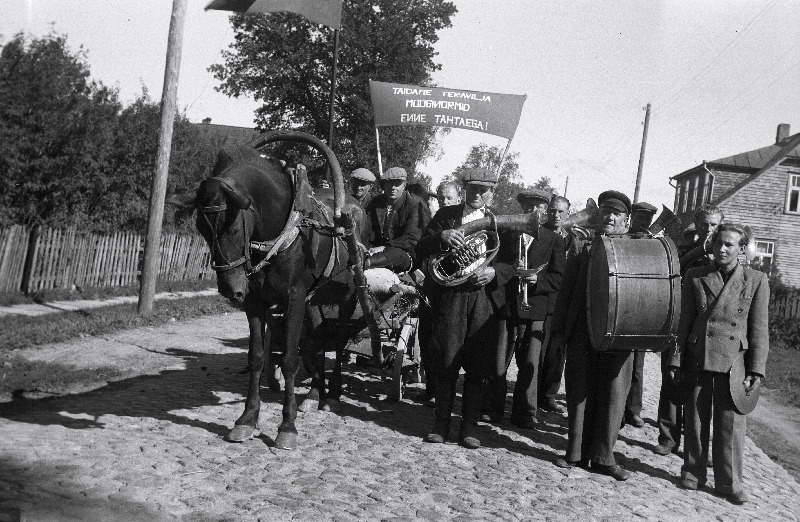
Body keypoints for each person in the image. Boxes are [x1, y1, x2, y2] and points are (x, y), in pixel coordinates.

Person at [668, 223, 769, 505]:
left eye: (729, 245)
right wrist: (676, 359)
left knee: (731, 425)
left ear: (741, 249)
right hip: (698, 356)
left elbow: (760, 330)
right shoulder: (696, 276)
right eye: (718, 244)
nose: (722, 249)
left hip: (734, 361)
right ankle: (692, 472)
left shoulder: (756, 280)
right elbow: (684, 321)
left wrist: (756, 369)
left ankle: (730, 482)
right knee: (696, 418)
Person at [415, 168, 514, 449]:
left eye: (485, 190)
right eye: (473, 189)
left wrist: (494, 272)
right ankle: (440, 424)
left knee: (477, 365)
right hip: (451, 295)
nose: (479, 194)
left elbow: (511, 264)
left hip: (483, 297)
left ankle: (469, 427)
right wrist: (440, 238)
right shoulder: (445, 217)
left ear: (492, 192)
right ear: (465, 189)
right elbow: (420, 249)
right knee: (447, 360)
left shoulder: (501, 223)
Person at [551, 190, 635, 481]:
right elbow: (566, 292)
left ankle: (604, 457)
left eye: (617, 214)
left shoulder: (636, 248)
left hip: (620, 333)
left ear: (626, 220)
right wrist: (559, 330)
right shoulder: (582, 246)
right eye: (606, 213)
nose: (610, 218)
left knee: (613, 392)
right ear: (599, 216)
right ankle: (574, 452)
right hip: (582, 328)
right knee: (578, 389)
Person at [483, 188, 565, 429]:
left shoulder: (554, 239)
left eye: (538, 207)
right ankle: (491, 408)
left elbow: (559, 279)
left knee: (530, 364)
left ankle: (525, 412)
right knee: (499, 360)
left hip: (535, 308)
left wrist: (537, 281)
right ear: (522, 209)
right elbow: (496, 263)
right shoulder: (508, 234)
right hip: (507, 305)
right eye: (528, 207)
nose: (533, 212)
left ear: (544, 210)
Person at [654, 204, 724, 456]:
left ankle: (698, 444)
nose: (709, 229)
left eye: (714, 224)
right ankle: (668, 437)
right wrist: (698, 251)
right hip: (679, 323)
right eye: (705, 224)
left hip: (707, 328)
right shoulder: (684, 249)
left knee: (704, 387)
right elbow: (673, 272)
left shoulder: (725, 252)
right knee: (672, 378)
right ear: (697, 223)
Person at [621, 201, 658, 429]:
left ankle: (633, 410)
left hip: (642, 308)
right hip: (621, 303)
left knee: (637, 365)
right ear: (632, 218)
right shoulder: (622, 238)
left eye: (647, 219)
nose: (643, 222)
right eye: (640, 218)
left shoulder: (653, 243)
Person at [537, 195, 571, 414]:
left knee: (557, 353)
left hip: (564, 301)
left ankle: (549, 395)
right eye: (552, 211)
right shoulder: (539, 231)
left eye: (560, 212)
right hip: (545, 297)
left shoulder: (573, 237)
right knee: (540, 350)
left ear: (568, 213)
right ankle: (535, 394)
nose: (556, 216)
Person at [364, 167, 427, 272]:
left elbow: (411, 239)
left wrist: (384, 247)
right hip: (375, 249)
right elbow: (367, 229)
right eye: (389, 183)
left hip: (404, 253)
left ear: (404, 185)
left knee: (396, 255)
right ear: (384, 185)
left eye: (397, 184)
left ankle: (365, 263)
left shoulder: (415, 206)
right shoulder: (375, 203)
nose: (393, 187)